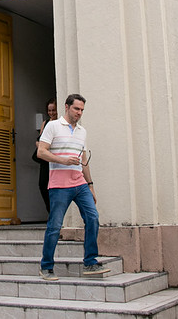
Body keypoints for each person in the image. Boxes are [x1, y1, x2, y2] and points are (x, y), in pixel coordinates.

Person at [37, 94, 109, 280]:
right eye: (77, 109)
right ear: (67, 107)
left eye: (82, 110)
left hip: (80, 184)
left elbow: (83, 160)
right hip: (59, 185)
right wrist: (63, 160)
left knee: (93, 218)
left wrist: (91, 185)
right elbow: (41, 152)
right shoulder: (53, 126)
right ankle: (46, 267)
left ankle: (91, 263)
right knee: (55, 226)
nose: (79, 113)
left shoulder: (82, 132)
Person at [35, 98, 58, 212]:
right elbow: (38, 140)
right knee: (43, 185)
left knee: (55, 186)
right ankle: (50, 211)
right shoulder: (46, 123)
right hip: (45, 159)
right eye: (49, 110)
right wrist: (40, 145)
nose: (51, 113)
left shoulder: (59, 123)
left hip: (55, 159)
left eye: (54, 110)